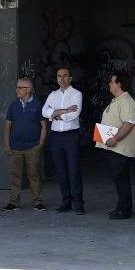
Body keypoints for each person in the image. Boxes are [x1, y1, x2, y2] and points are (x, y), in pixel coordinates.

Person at [96, 71, 135, 220]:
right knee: (119, 178)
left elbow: (129, 124)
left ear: (119, 84)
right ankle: (121, 207)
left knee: (121, 179)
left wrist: (114, 139)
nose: (109, 84)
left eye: (112, 81)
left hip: (120, 149)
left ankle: (124, 210)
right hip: (113, 148)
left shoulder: (127, 101)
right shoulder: (117, 100)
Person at [42, 66, 85, 215]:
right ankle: (66, 201)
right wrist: (65, 111)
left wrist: (54, 114)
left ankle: (78, 203)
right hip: (55, 136)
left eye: (65, 75)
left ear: (70, 78)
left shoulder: (76, 94)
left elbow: (74, 114)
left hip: (71, 135)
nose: (62, 78)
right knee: (60, 170)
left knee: (73, 169)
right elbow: (44, 111)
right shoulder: (53, 95)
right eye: (59, 76)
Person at [2, 77, 48, 210]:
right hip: (15, 147)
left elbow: (44, 125)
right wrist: (7, 144)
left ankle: (37, 202)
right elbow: (7, 126)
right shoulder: (13, 105)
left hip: (32, 147)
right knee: (15, 176)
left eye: (20, 87)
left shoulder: (38, 105)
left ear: (28, 89)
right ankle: (14, 202)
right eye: (17, 87)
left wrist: (40, 143)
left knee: (34, 175)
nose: (17, 90)